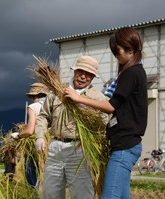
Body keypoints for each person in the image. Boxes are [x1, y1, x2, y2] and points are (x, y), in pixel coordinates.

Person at [65, 27, 147, 199]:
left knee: (109, 196)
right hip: (125, 145)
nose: (115, 56)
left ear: (130, 50)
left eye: (117, 52)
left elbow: (111, 106)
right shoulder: (134, 72)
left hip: (125, 147)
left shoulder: (132, 73)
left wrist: (78, 99)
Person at [35, 56, 109, 199]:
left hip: (79, 149)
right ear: (75, 71)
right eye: (81, 71)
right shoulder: (57, 91)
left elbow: (103, 123)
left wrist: (86, 108)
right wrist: (39, 136)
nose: (83, 77)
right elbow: (43, 116)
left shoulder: (97, 97)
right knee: (50, 193)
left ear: (93, 77)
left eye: (88, 74)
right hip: (55, 147)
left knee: (81, 194)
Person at [11, 82, 48, 187]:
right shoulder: (52, 105)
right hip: (51, 145)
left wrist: (18, 136)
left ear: (33, 96)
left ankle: (34, 194)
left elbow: (30, 131)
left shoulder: (34, 106)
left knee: (31, 170)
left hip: (37, 144)